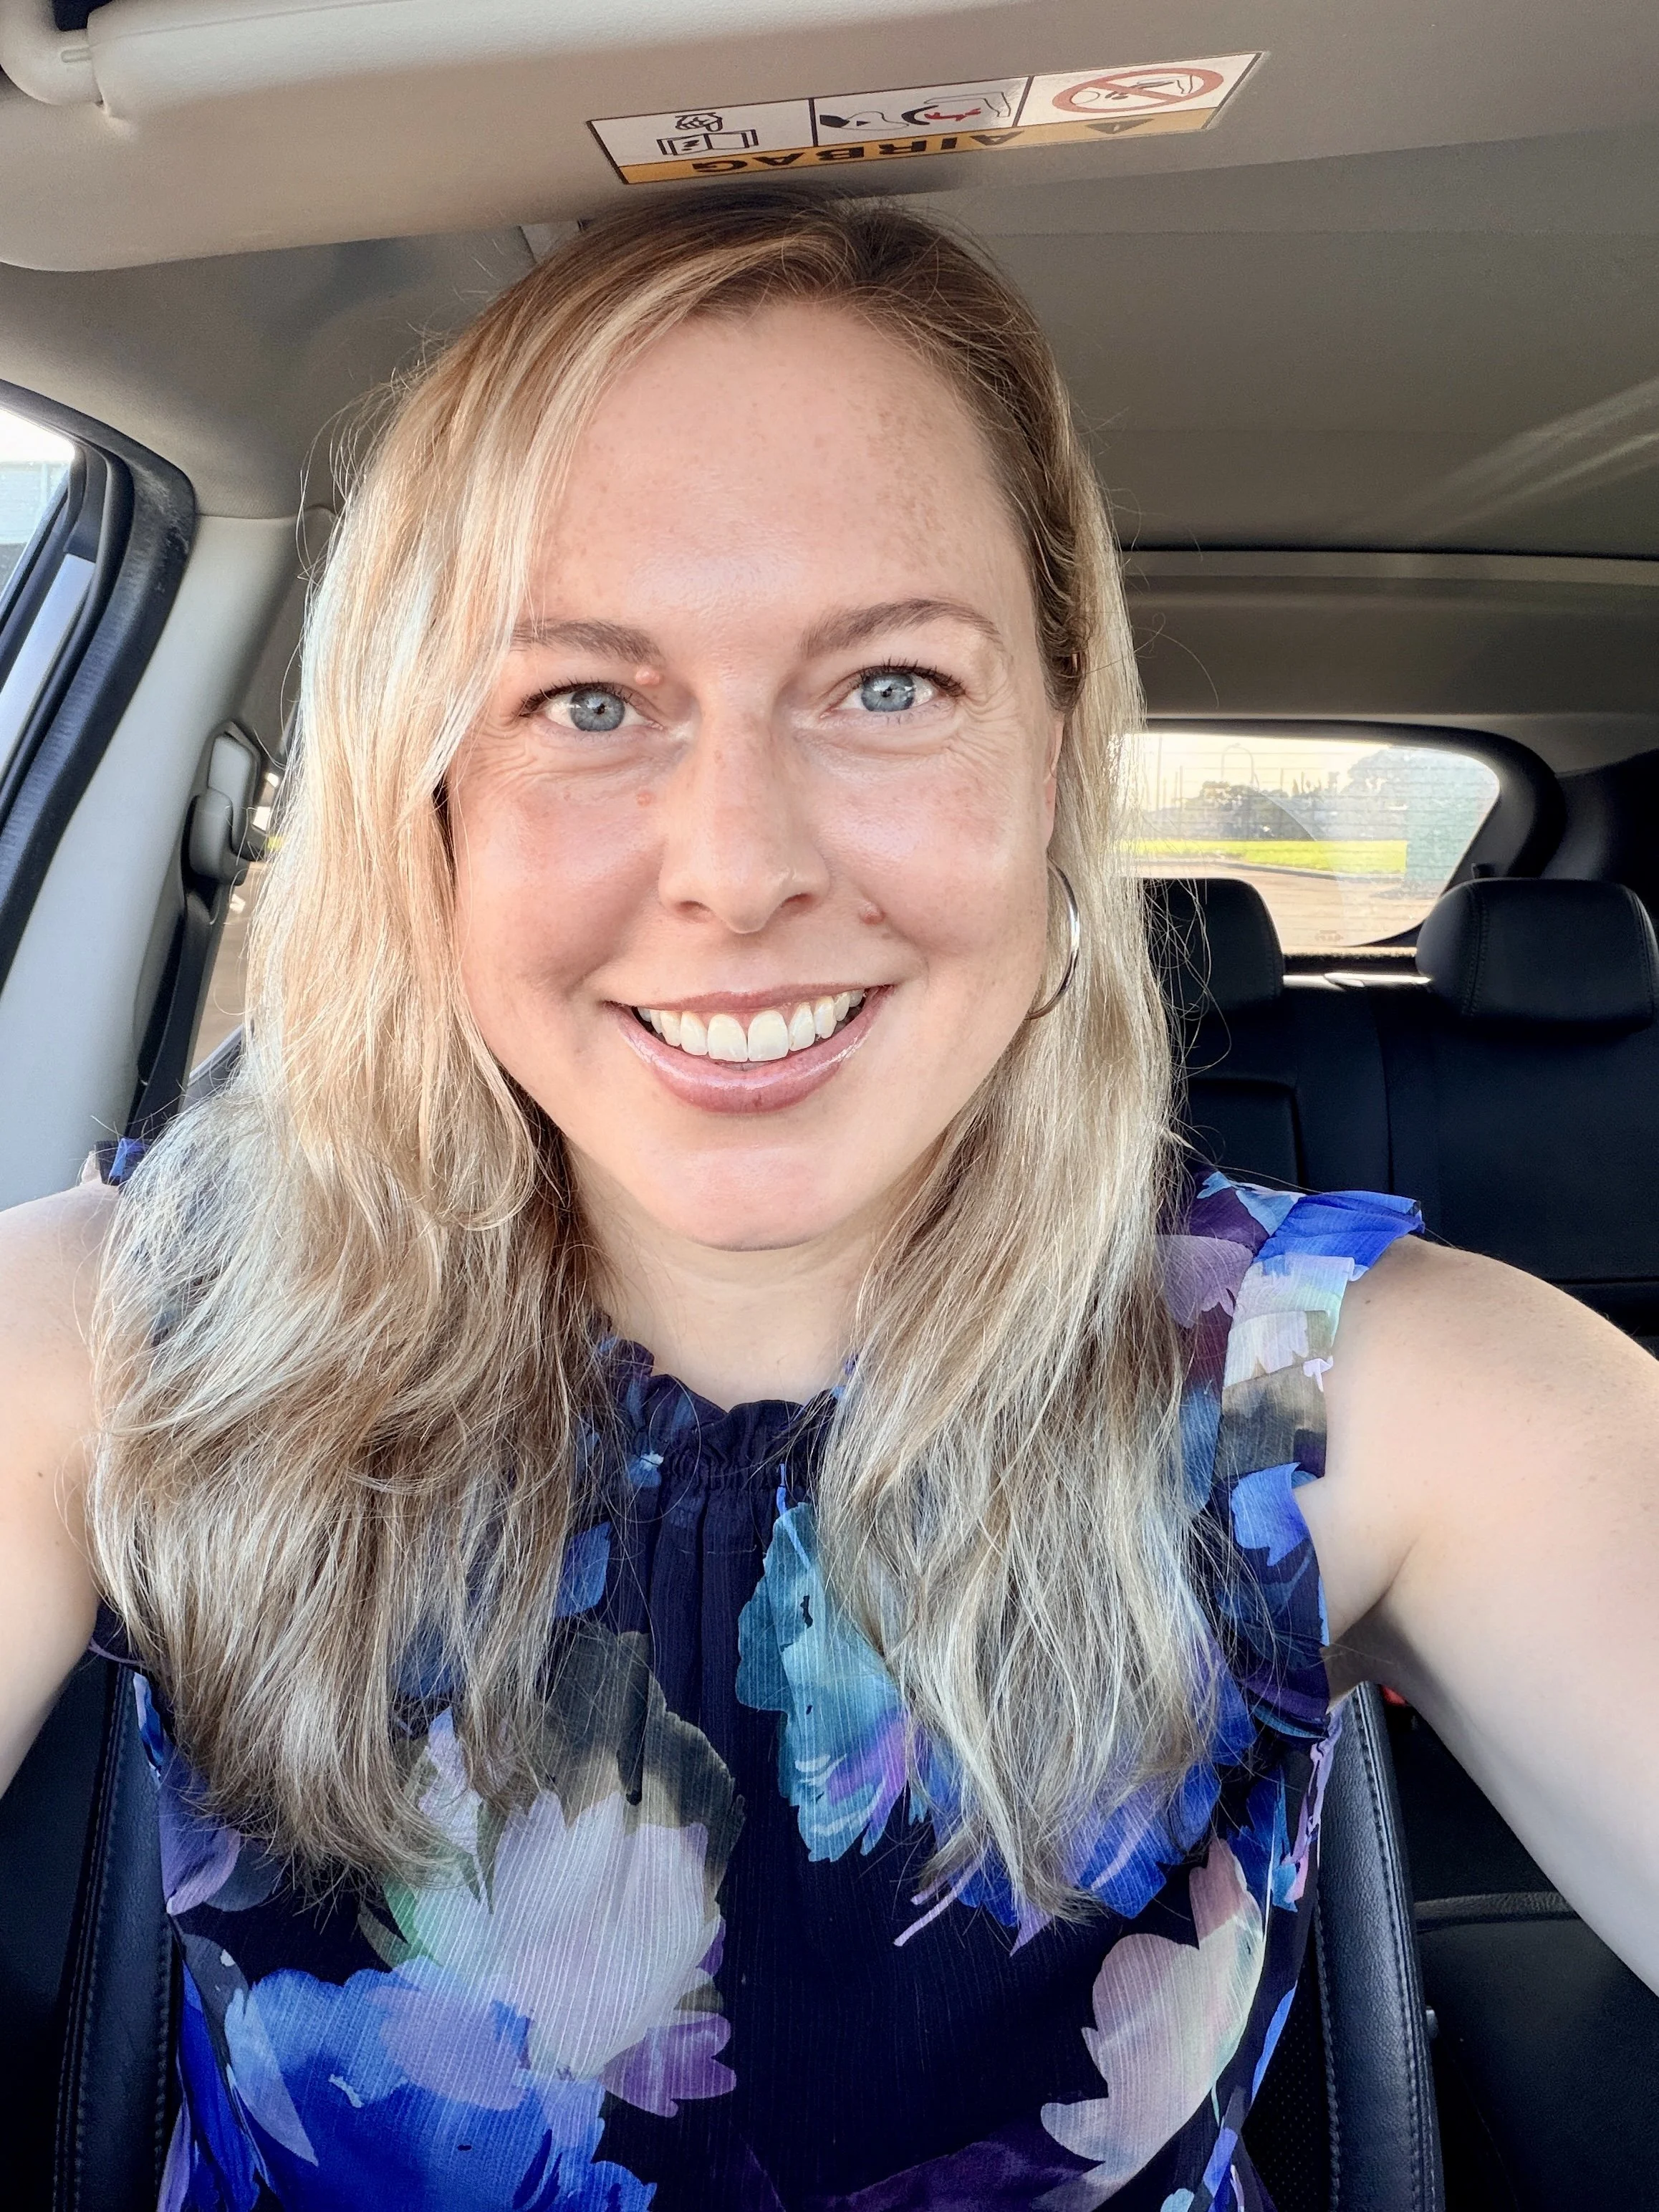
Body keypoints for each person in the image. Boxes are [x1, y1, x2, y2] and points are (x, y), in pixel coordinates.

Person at [1, 191, 1654, 2212]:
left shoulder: (1388, 1400)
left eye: (886, 685)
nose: (736, 866)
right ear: (422, 800)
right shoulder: (113, 1339)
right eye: (583, 703)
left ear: (1055, 746)